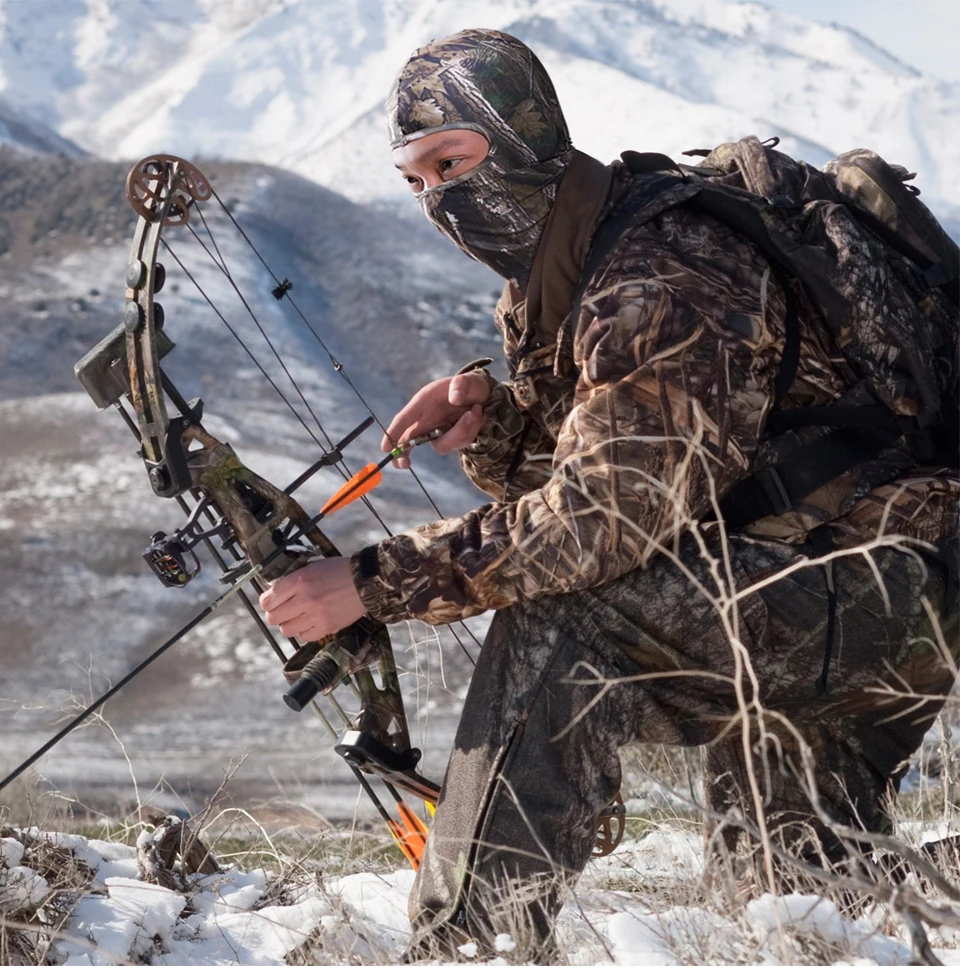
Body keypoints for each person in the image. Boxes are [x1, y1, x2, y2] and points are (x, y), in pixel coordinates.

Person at [260, 28, 959, 960]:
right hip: (837, 578)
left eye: (453, 161)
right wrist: (499, 423)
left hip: (888, 584)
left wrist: (375, 581)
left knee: (569, 621)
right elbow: (629, 467)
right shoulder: (572, 265)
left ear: (524, 138)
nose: (439, 199)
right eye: (415, 179)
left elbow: (600, 523)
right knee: (799, 909)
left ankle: (470, 945)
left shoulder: (660, 269)